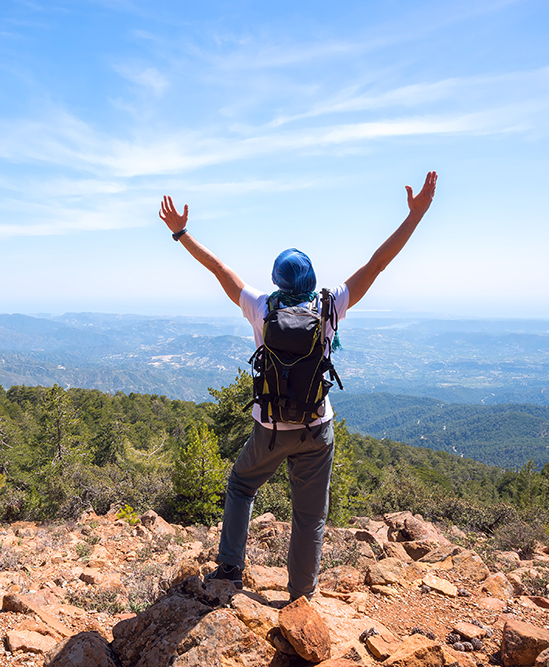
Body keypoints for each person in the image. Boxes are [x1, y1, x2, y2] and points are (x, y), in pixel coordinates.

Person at [159, 171, 437, 601]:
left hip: (269, 429)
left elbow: (218, 268)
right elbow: (378, 263)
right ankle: (301, 598)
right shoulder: (330, 306)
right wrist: (415, 217)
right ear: (310, 278)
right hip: (316, 428)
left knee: (241, 485)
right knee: (309, 517)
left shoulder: (260, 307)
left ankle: (231, 568)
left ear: (277, 282)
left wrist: (181, 233)